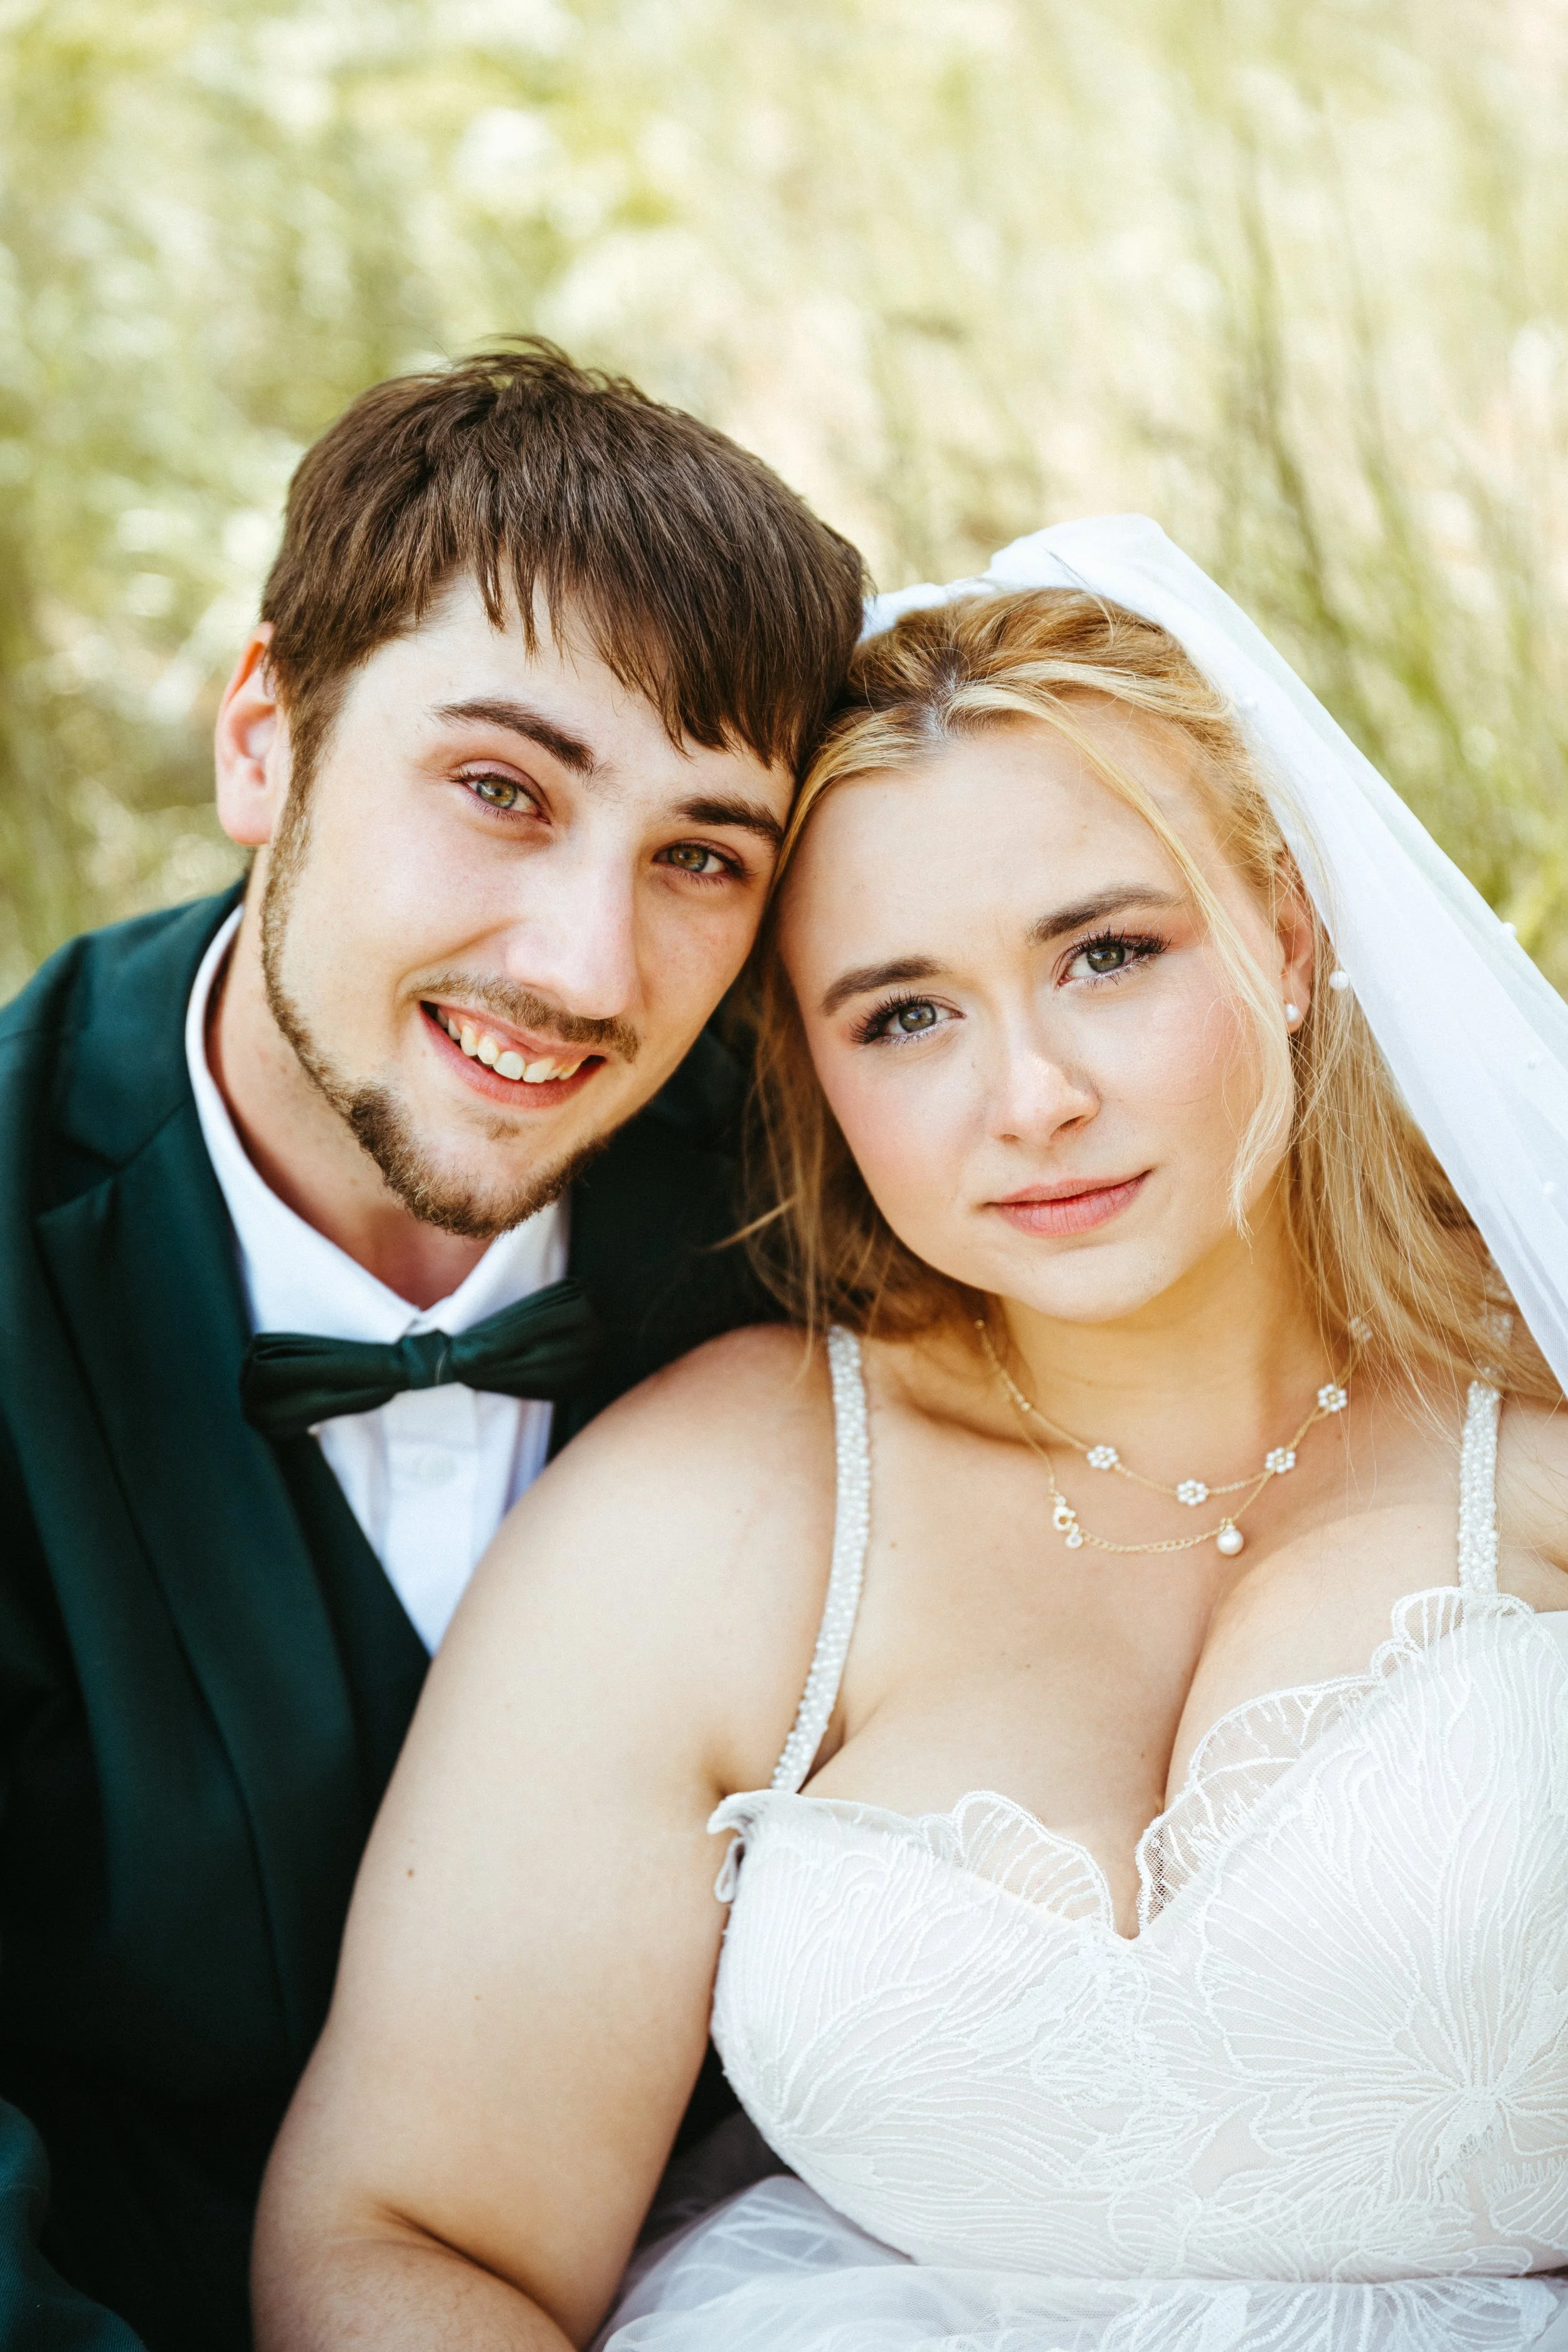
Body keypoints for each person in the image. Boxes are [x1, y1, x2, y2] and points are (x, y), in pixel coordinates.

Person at [253, 517, 1568, 2352]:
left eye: (1106, 953)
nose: (1028, 1097)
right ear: (806, 1064)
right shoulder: (716, 1510)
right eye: (906, 1013)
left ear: (1286, 934)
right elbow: (410, 2228)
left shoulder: (1537, 1423)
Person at [0, 340, 865, 2351]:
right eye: (499, 789)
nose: (582, 963)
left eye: (699, 856)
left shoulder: (830, 1218)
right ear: (263, 739)